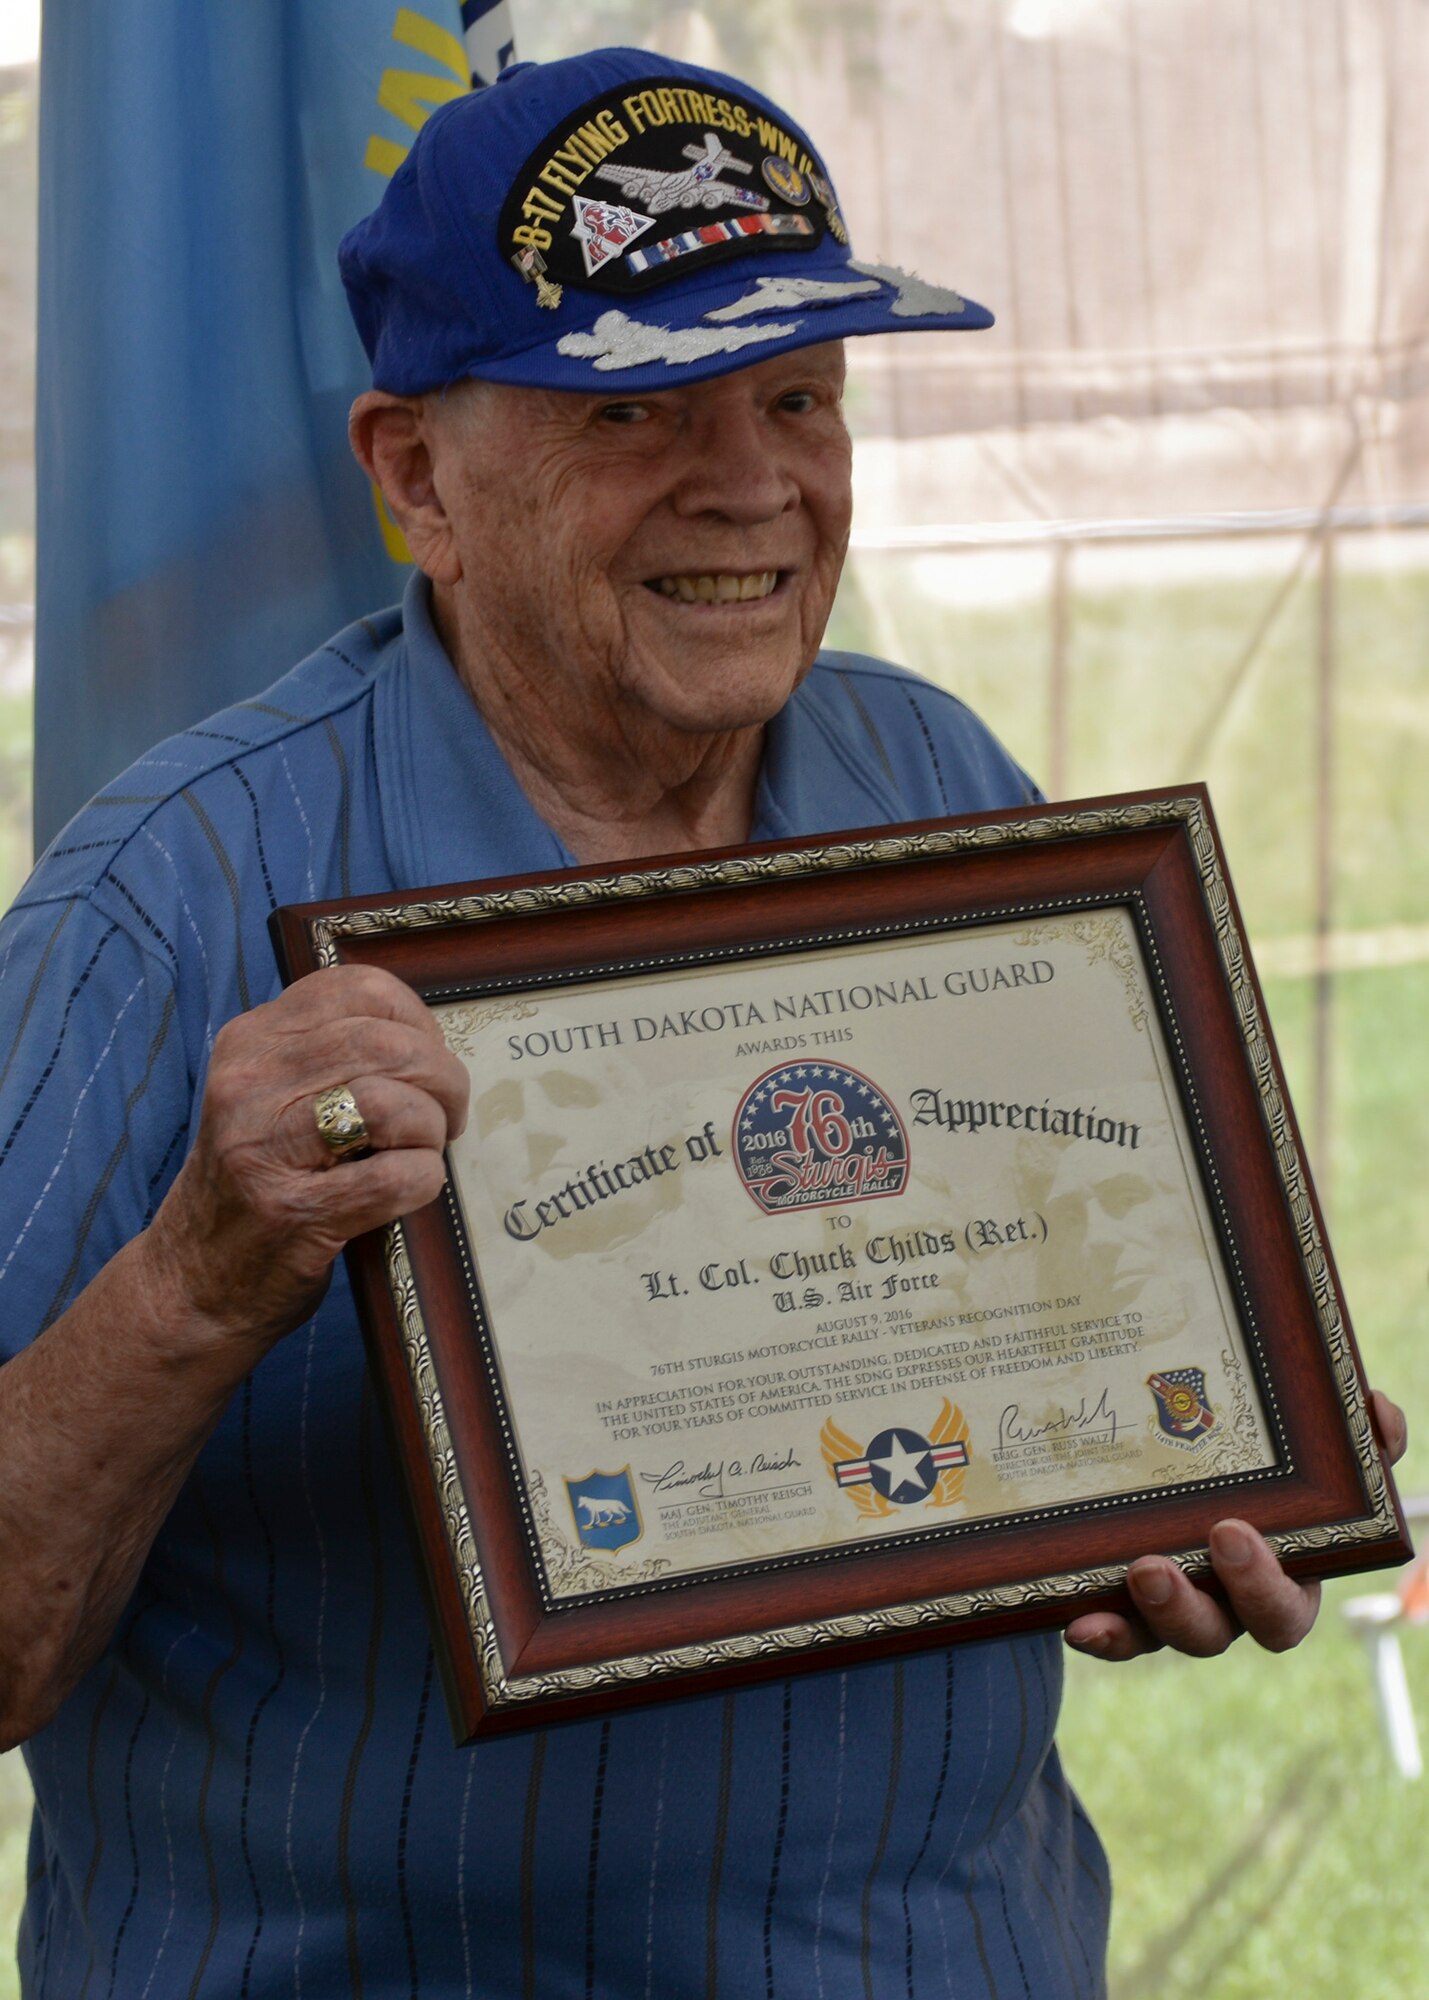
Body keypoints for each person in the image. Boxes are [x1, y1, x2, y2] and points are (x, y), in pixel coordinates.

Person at [0, 47, 1405, 1998]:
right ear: (417, 479)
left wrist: (1167, 1466)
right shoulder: (162, 897)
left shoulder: (948, 792)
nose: (752, 482)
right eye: (641, 404)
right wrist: (196, 1277)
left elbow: (1050, 1353)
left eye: (802, 397)